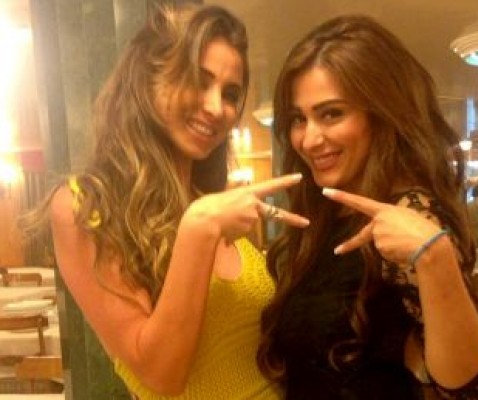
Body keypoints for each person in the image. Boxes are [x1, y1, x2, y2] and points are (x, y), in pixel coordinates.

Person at [25, 4, 309, 399]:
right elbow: (161, 374)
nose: (217, 108)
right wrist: (199, 227)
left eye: (230, 94)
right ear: (147, 81)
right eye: (198, 81)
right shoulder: (83, 205)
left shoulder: (209, 202)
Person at [257, 15, 478, 399]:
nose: (309, 139)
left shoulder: (412, 212)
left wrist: (435, 257)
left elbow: (468, 388)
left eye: (331, 113)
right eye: (298, 119)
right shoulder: (328, 212)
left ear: (381, 114)